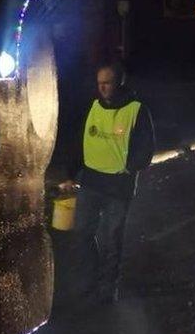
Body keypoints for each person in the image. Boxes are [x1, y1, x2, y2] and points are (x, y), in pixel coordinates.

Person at [60, 62, 155, 303]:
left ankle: (107, 288)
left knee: (111, 239)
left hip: (118, 187)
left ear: (119, 83)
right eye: (99, 82)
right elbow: (79, 142)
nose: (102, 87)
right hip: (91, 182)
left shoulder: (136, 110)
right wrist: (71, 173)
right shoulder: (92, 107)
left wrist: (129, 167)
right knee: (82, 234)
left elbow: (146, 148)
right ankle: (88, 282)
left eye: (107, 82)